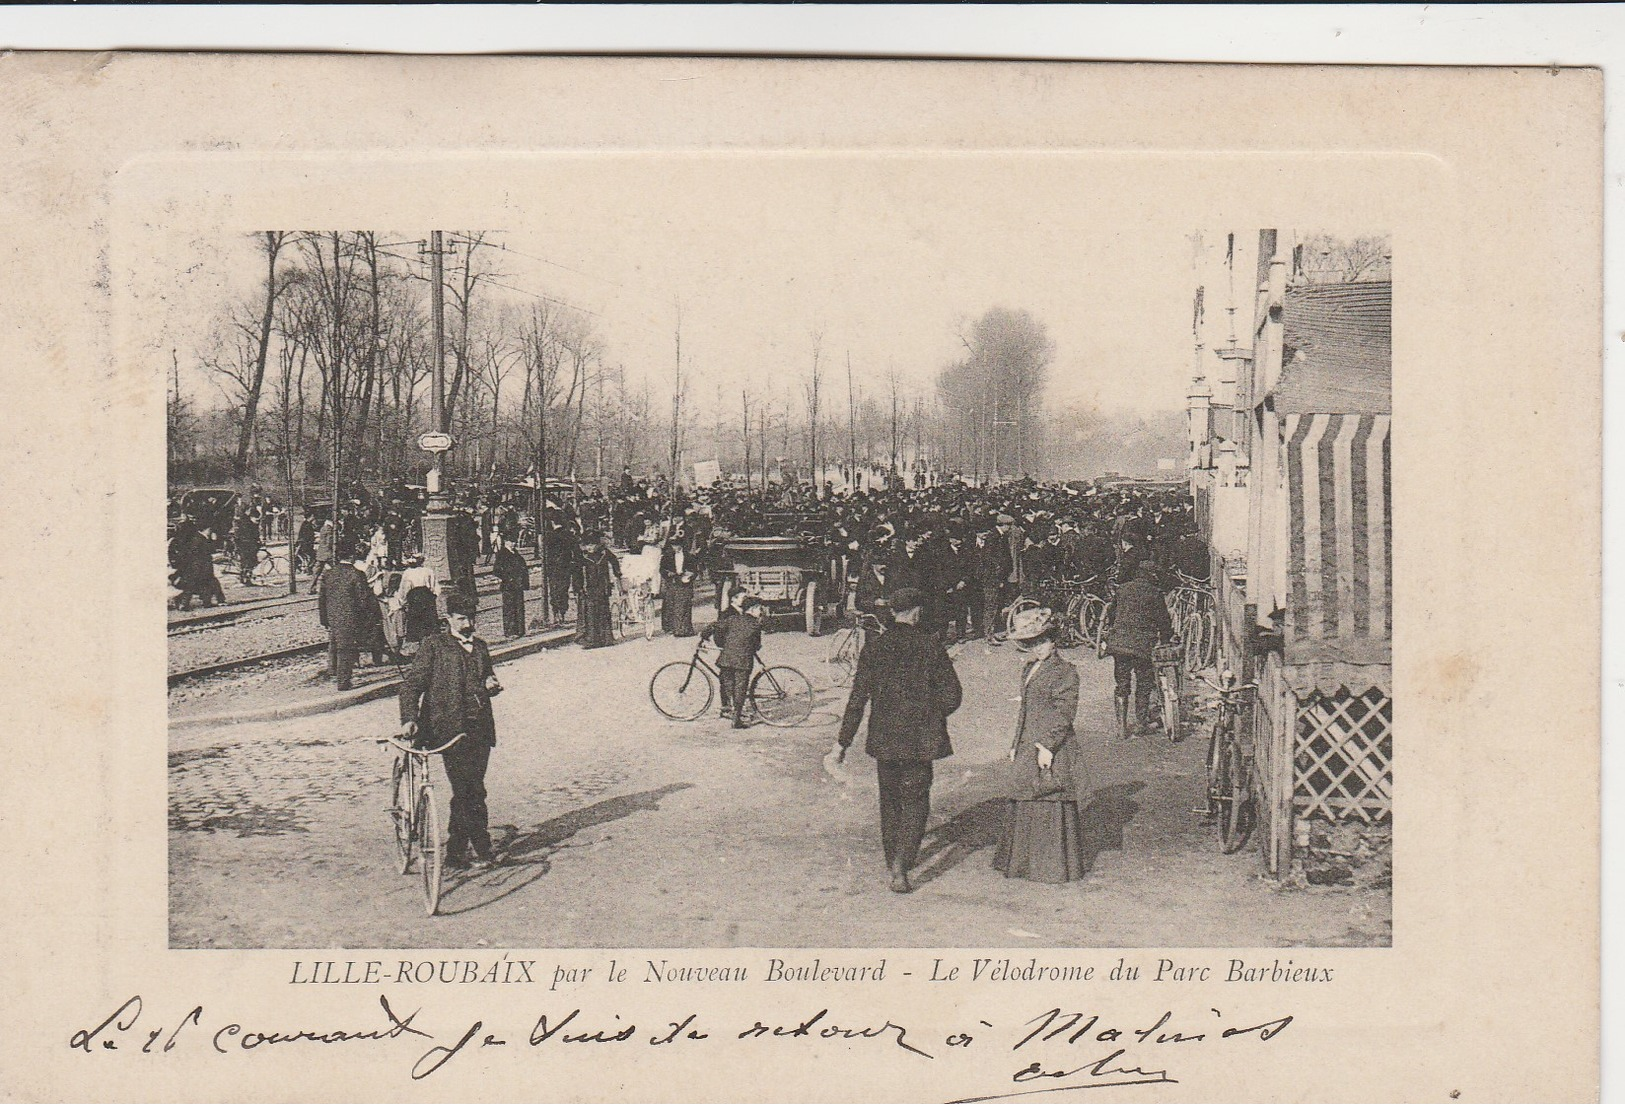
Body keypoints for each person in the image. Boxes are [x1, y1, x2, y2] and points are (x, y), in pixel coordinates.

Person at [831, 586, 964, 894]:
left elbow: (857, 700)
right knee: (916, 799)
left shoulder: (875, 648)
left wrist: (842, 743)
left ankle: (893, 857)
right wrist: (933, 713)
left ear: (892, 612)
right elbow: (952, 696)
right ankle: (902, 864)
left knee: (889, 799)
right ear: (917, 612)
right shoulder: (931, 646)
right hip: (921, 739)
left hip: (885, 739)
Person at [399, 588, 503, 871]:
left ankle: (459, 851)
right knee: (465, 788)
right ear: (448, 619)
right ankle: (477, 848)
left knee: (474, 789)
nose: (467, 625)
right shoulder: (434, 646)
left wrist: (492, 684)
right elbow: (411, 686)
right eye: (460, 619)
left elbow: (486, 676)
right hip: (447, 729)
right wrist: (408, 719)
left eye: (471, 618)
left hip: (479, 728)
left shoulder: (480, 646)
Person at [995, 607, 1090, 883]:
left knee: (1050, 797)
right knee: (1025, 796)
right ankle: (1023, 863)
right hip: (1028, 742)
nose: (1038, 648)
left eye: (1042, 641)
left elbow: (1064, 712)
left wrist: (1048, 746)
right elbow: (1024, 711)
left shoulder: (1065, 672)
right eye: (1032, 643)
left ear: (1054, 639)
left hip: (1052, 744)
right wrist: (1016, 742)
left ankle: (1049, 866)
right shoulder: (1029, 669)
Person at [1102, 559, 1175, 738]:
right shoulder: (1155, 593)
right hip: (1142, 646)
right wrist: (1165, 639)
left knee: (1122, 684)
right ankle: (1141, 724)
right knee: (1143, 684)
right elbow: (1163, 621)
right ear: (1152, 576)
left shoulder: (1122, 589)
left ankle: (1121, 727)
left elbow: (1111, 615)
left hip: (1119, 645)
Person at [318, 543, 377, 691]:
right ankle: (343, 682)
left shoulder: (328, 574)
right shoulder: (356, 574)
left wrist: (324, 618)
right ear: (351, 557)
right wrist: (368, 618)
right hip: (351, 617)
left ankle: (333, 671)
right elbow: (363, 599)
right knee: (346, 649)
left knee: (334, 644)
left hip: (333, 616)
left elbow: (322, 598)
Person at [709, 593, 764, 729]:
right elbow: (756, 645)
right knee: (741, 687)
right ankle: (737, 718)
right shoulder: (755, 625)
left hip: (726, 659)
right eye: (758, 609)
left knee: (728, 684)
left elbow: (714, 626)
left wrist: (704, 637)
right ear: (752, 609)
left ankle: (728, 709)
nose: (760, 611)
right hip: (743, 661)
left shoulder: (732, 619)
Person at [573, 530, 621, 648]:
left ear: (598, 544)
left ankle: (605, 639)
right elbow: (576, 572)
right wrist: (577, 587)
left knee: (603, 612)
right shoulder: (582, 556)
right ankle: (590, 640)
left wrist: (617, 574)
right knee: (589, 614)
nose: (590, 547)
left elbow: (614, 560)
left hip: (602, 587)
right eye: (588, 545)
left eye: (592, 545)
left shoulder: (604, 553)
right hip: (587, 588)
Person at [395, 552, 440, 650]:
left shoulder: (408, 573)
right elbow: (435, 587)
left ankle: (421, 644)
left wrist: (403, 601)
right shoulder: (428, 571)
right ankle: (428, 643)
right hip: (426, 597)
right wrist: (432, 596)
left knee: (417, 622)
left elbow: (404, 589)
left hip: (415, 598)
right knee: (428, 621)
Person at [659, 528, 697, 637]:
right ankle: (672, 628)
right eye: (673, 545)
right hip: (672, 582)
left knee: (684, 605)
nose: (675, 548)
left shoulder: (689, 556)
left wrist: (690, 575)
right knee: (671, 605)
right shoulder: (667, 556)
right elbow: (662, 570)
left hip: (685, 583)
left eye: (677, 545)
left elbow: (695, 570)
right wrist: (668, 575)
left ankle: (684, 629)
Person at [493, 535, 530, 639]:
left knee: (519, 607)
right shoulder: (502, 554)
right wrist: (508, 578)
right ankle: (510, 632)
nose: (514, 544)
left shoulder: (516, 553)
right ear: (506, 541)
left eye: (514, 541)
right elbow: (497, 570)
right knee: (509, 608)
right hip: (508, 586)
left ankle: (520, 631)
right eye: (511, 541)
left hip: (518, 585)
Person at [232, 507, 262, 586]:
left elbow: (256, 536)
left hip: (248, 546)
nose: (257, 521)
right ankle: (245, 580)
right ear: (251, 518)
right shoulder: (246, 524)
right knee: (247, 562)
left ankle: (246, 578)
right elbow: (247, 537)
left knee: (249, 562)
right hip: (244, 546)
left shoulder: (252, 524)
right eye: (256, 519)